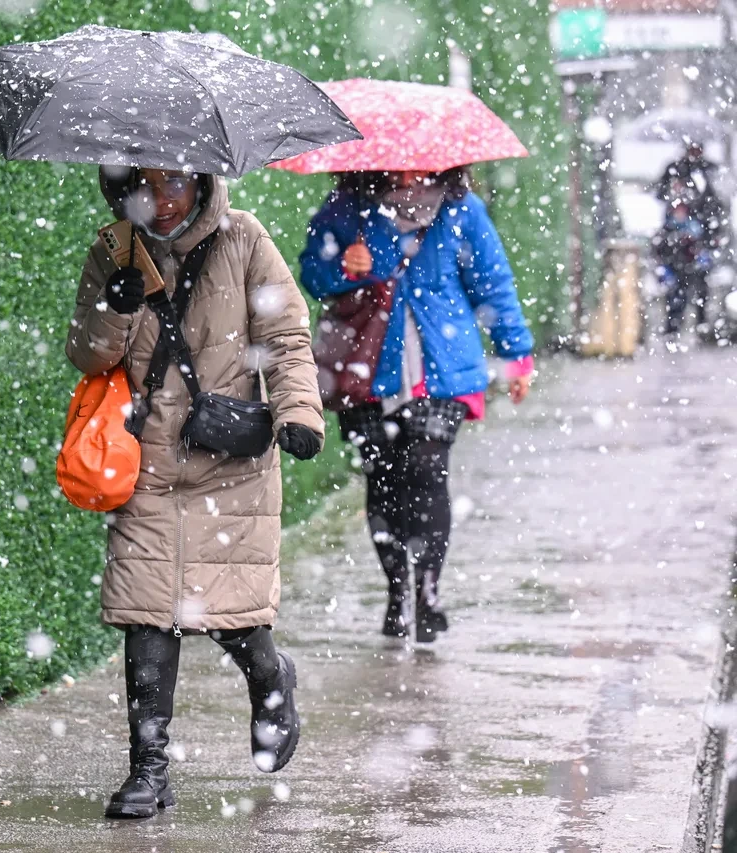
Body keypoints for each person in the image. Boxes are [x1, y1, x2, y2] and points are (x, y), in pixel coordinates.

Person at [66, 166, 325, 818]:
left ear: (202, 180)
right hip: (149, 460)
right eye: (145, 183)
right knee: (146, 611)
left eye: (173, 180)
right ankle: (148, 770)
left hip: (228, 459)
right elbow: (89, 356)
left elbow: (286, 337)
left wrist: (298, 412)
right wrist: (116, 308)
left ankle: (270, 677)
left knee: (234, 614)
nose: (160, 196)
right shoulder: (115, 249)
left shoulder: (245, 239)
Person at [299, 169, 534, 643]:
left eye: (421, 169)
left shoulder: (462, 211)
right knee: (382, 479)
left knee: (428, 471)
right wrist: (346, 267)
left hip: (441, 366)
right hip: (368, 365)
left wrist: (517, 352)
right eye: (400, 170)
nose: (412, 178)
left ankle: (428, 590)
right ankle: (397, 589)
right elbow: (312, 275)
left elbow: (492, 283)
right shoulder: (346, 209)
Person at [653, 143, 728, 339]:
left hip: (699, 237)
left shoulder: (708, 171)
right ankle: (675, 326)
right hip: (679, 239)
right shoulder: (676, 169)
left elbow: (717, 204)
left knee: (700, 284)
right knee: (678, 286)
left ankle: (698, 325)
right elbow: (661, 195)